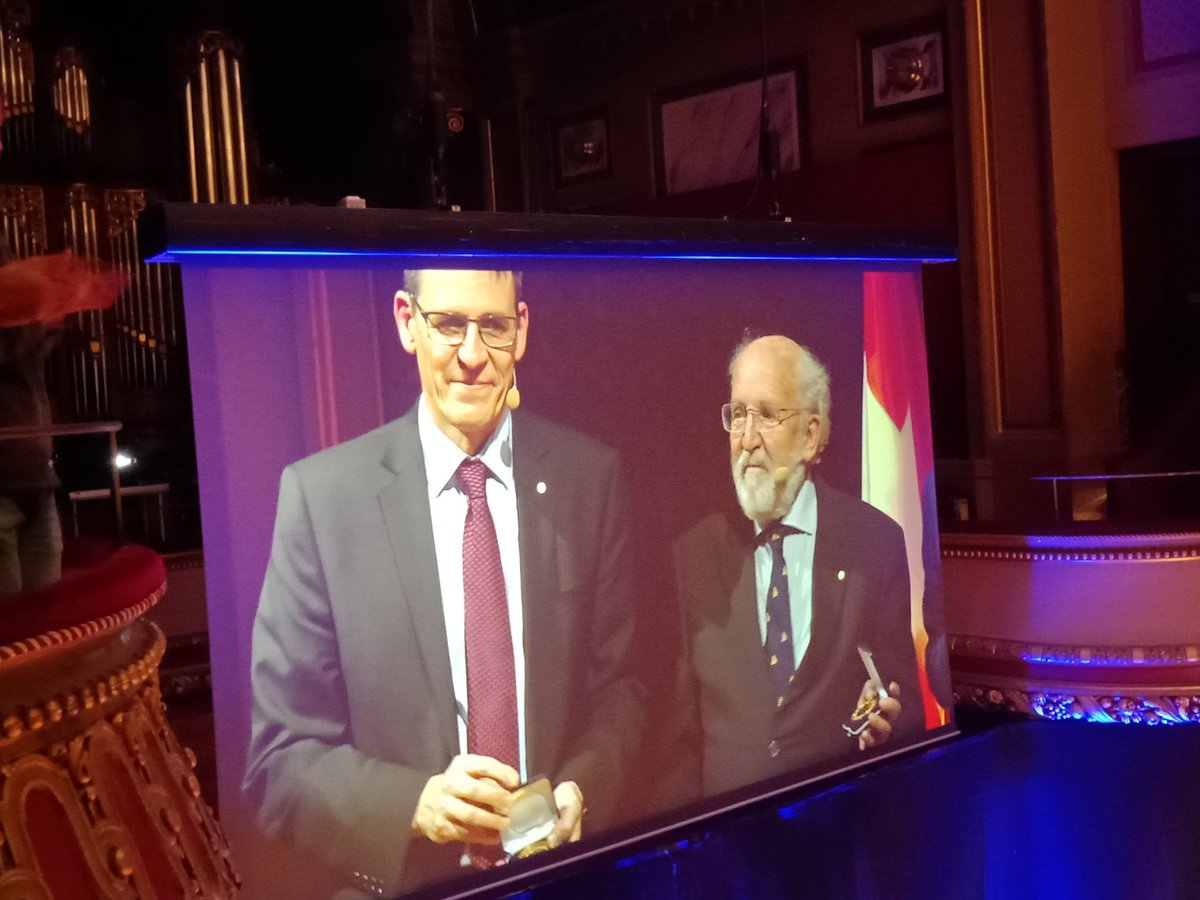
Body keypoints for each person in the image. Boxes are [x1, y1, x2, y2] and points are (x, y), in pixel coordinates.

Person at [244, 268, 643, 898]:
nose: (472, 355)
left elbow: (623, 689)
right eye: (449, 324)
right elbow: (280, 762)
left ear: (522, 329)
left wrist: (582, 789)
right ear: (408, 322)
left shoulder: (588, 480)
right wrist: (415, 805)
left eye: (494, 326)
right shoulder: (323, 501)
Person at [672, 334, 922, 798]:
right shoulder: (695, 554)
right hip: (730, 831)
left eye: (767, 415)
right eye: (738, 414)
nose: (747, 440)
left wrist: (887, 726)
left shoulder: (874, 543)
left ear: (810, 435)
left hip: (840, 819)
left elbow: (906, 709)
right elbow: (679, 741)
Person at [0, 88, 125, 593]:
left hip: (32, 468)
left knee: (50, 627)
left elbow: (17, 358)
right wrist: (43, 304)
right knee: (16, 637)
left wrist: (49, 312)